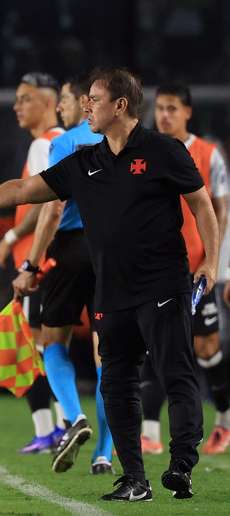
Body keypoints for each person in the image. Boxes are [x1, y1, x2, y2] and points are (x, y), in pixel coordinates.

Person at [0, 68, 217, 502]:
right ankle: (134, 479)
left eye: (94, 99)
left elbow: (202, 206)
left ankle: (181, 465)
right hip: (113, 290)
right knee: (116, 382)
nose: (85, 106)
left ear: (120, 105)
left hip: (164, 284)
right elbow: (24, 189)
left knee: (175, 373)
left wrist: (212, 263)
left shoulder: (165, 151)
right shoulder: (87, 161)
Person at [11, 74, 114, 475]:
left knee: (53, 340)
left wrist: (31, 265)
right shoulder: (126, 144)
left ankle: (73, 417)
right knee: (108, 355)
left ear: (82, 105)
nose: (66, 109)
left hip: (70, 250)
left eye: (70, 102)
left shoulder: (64, 143)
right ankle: (105, 452)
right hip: (114, 253)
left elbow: (52, 208)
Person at [138, 83, 230, 456]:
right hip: (157, 269)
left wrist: (219, 265)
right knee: (155, 346)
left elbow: (221, 211)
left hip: (198, 269)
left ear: (188, 112)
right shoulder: (143, 150)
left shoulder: (209, 155)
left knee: (206, 348)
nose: (165, 115)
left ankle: (224, 422)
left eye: (172, 108)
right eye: (160, 108)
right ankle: (149, 431)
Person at [0, 72, 67, 455]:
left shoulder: (44, 144)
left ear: (47, 103)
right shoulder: (63, 143)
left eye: (25, 99)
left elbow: (46, 204)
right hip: (55, 260)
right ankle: (57, 427)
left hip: (38, 263)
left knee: (34, 347)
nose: (17, 106)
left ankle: (54, 429)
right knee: (47, 346)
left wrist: (11, 238)